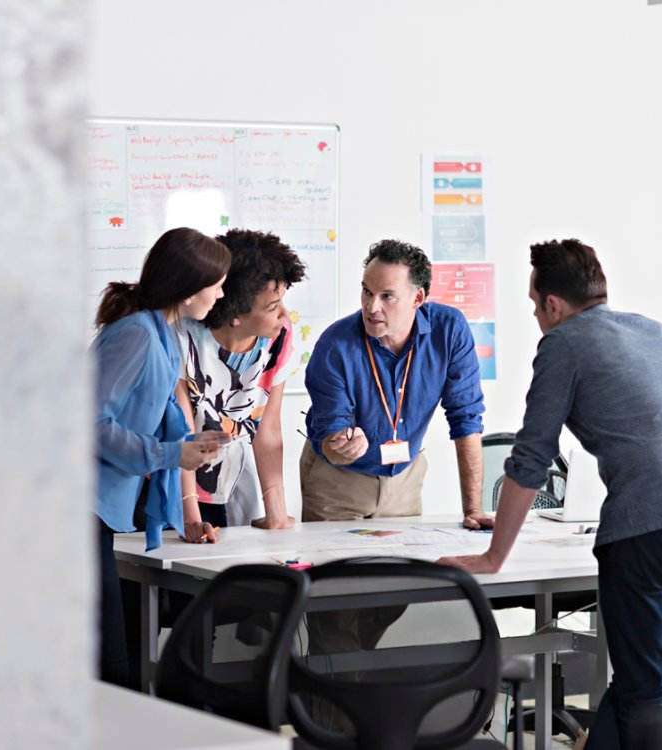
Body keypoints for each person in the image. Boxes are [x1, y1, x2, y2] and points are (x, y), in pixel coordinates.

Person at [438, 239, 662, 750]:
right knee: (637, 681)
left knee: (644, 691)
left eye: (535, 307)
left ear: (553, 305)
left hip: (651, 531)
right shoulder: (658, 332)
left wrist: (495, 556)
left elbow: (531, 455)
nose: (537, 317)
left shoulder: (563, 343)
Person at [92, 226, 230, 687]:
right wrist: (172, 453)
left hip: (98, 509)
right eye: (217, 283)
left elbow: (164, 411)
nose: (222, 292)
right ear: (190, 288)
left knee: (119, 658)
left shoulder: (163, 333)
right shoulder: (136, 335)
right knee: (111, 665)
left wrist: (198, 443)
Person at [301, 238, 491, 528]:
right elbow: (330, 435)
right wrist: (341, 445)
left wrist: (474, 509)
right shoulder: (335, 345)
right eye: (367, 292)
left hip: (405, 478)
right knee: (339, 572)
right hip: (339, 481)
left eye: (387, 296)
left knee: (403, 568)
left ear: (417, 299)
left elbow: (466, 418)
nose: (371, 306)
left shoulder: (449, 330)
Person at [175, 228, 307, 539]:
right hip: (175, 481)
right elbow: (178, 433)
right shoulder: (182, 337)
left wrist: (275, 511)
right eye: (273, 307)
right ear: (235, 313)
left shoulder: (280, 339)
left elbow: (268, 430)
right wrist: (190, 517)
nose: (284, 315)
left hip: (231, 479)